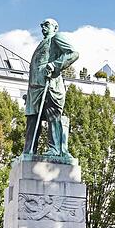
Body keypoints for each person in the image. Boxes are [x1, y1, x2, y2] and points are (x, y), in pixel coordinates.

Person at [22, 18, 80, 159]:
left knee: (52, 117)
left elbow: (73, 53)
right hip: (35, 89)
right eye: (42, 25)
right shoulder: (42, 43)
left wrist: (55, 65)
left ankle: (55, 149)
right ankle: (28, 151)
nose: (43, 27)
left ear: (55, 27)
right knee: (32, 120)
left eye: (47, 24)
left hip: (50, 86)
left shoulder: (56, 38)